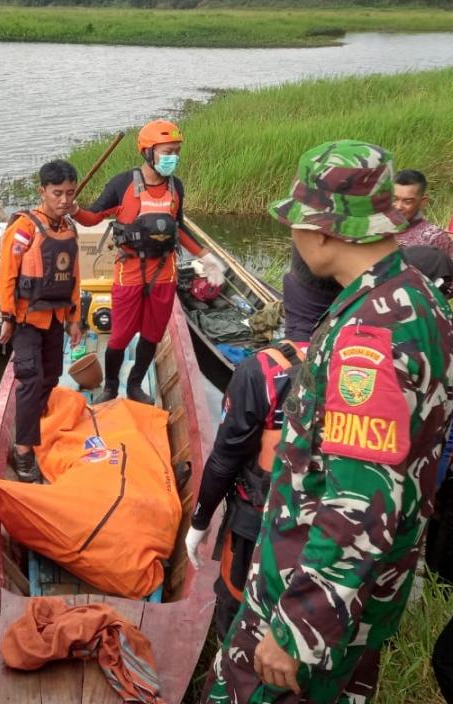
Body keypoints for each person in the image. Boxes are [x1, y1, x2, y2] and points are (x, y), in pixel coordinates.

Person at [207, 140, 453, 703]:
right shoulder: (415, 295)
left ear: (320, 231)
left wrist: (298, 627)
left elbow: (361, 501)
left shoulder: (370, 335)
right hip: (354, 594)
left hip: (310, 599)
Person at [185, 253, 340, 641]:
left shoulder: (263, 371)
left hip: (260, 524)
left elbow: (224, 460)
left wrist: (200, 521)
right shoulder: (357, 365)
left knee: (239, 611)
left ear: (293, 296)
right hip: (329, 528)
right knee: (304, 620)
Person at [73, 119, 225, 404]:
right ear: (147, 151)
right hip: (129, 273)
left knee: (152, 335)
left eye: (177, 152)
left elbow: (178, 227)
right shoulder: (122, 184)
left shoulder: (176, 187)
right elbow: (92, 217)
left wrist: (205, 257)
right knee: (120, 337)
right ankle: (110, 387)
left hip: (164, 273)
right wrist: (74, 209)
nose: (173, 158)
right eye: (168, 152)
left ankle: (134, 385)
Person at [0, 159, 83, 483]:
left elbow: (74, 277)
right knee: (31, 381)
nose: (64, 200)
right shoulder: (24, 228)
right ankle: (23, 451)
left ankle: (33, 419)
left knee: (51, 376)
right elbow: (7, 274)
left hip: (56, 317)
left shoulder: (68, 228)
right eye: (57, 193)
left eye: (70, 193)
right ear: (42, 191)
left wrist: (75, 319)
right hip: (25, 320)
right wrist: (7, 317)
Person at [392, 169, 453, 255]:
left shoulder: (435, 238)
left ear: (422, 202)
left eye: (407, 201)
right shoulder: (376, 231)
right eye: (394, 199)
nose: (398, 207)